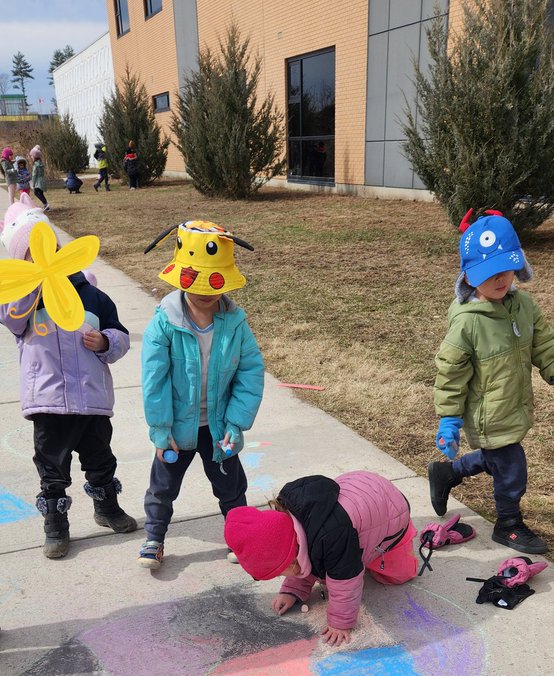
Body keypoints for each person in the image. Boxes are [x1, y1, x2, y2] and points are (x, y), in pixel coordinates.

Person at [0, 194, 137, 558]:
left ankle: (106, 508)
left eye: (48, 246)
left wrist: (105, 341)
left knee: (101, 460)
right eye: (29, 252)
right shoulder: (20, 300)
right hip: (48, 401)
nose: (41, 256)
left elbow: (120, 336)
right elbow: (11, 320)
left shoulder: (92, 295)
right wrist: (30, 288)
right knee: (52, 467)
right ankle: (56, 524)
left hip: (92, 399)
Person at [139, 219, 264, 568]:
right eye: (197, 283)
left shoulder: (235, 323)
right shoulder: (165, 321)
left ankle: (242, 537)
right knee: (162, 486)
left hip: (219, 426)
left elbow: (250, 372)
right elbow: (155, 379)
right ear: (182, 276)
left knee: (231, 487)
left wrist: (236, 424)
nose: (205, 293)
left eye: (213, 285)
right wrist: (161, 430)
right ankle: (154, 538)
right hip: (177, 428)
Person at [429, 209, 554, 555]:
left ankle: (447, 473)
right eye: (490, 274)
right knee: (511, 465)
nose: (501, 279)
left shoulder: (524, 305)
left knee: (496, 458)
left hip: (513, 403)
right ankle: (508, 523)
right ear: (468, 277)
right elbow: (451, 373)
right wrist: (450, 419)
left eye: (506, 269)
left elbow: (543, 343)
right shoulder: (467, 323)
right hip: (487, 411)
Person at [224, 472, 418, 646]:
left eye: (280, 571)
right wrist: (292, 590)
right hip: (361, 488)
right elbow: (302, 555)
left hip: (392, 510)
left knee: (393, 575)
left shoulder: (333, 536)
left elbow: (345, 581)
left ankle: (395, 546)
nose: (280, 576)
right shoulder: (292, 526)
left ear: (291, 561)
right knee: (330, 560)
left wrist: (340, 623)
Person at [29, 145, 49, 211]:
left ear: (34, 156)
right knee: (40, 193)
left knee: (36, 192)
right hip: (42, 180)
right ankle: (46, 205)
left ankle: (46, 203)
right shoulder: (40, 163)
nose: (31, 157)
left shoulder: (35, 165)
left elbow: (34, 175)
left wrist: (33, 184)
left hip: (37, 181)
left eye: (31, 156)